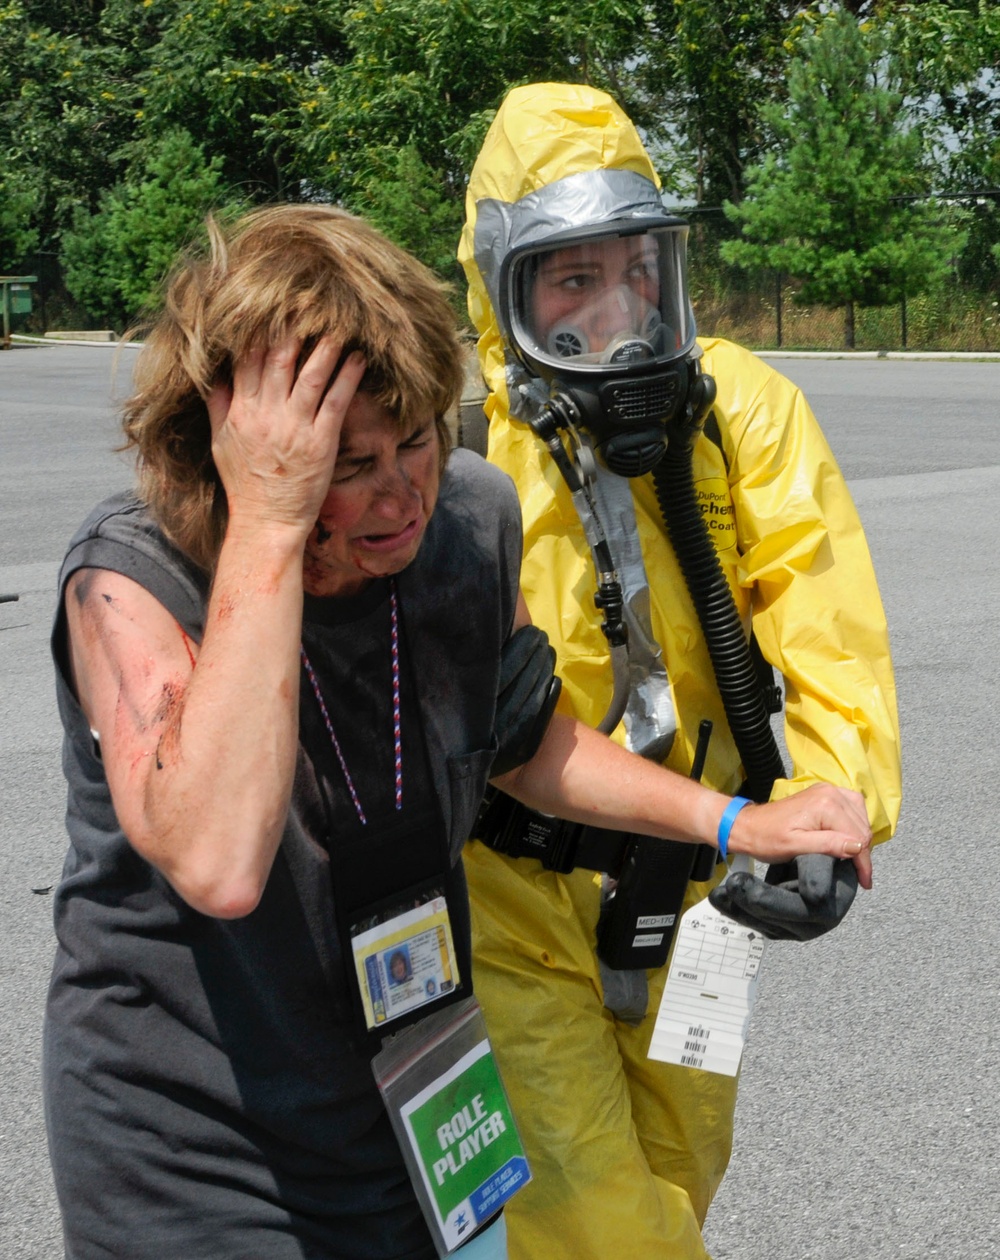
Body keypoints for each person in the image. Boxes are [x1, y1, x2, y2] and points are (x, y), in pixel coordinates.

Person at [44, 203, 872, 1260]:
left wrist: (736, 822)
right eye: (345, 463)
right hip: (197, 1145)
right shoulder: (135, 580)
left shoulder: (468, 519)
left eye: (418, 439)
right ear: (227, 448)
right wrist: (272, 522)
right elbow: (215, 861)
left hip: (409, 1100)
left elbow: (525, 743)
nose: (400, 495)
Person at [458, 83, 902, 1260]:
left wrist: (835, 805)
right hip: (510, 906)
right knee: (594, 1226)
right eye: (571, 280)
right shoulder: (460, 447)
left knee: (677, 1184)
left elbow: (823, 619)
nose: (616, 312)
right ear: (502, 287)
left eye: (637, 270)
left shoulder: (739, 409)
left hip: (699, 894)